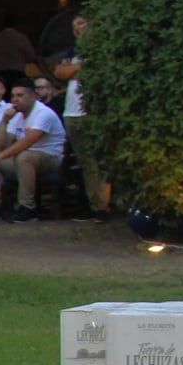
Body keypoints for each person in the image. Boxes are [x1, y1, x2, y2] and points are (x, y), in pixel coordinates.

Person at [45, 12, 106, 216]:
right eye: (74, 26)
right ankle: (93, 203)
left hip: (89, 111)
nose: (77, 28)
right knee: (85, 161)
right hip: (71, 112)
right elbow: (59, 73)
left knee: (96, 161)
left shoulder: (99, 50)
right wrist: (79, 68)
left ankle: (101, 205)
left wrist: (72, 69)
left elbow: (93, 70)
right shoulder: (73, 51)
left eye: (80, 23)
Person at [0, 80, 65, 222]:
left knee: (24, 156)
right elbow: (0, 147)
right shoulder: (17, 114)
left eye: (20, 95)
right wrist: (4, 121)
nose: (15, 99)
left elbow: (27, 142)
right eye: (13, 96)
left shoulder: (44, 113)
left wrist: (0, 157)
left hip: (50, 159)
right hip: (24, 159)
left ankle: (27, 208)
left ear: (32, 96)